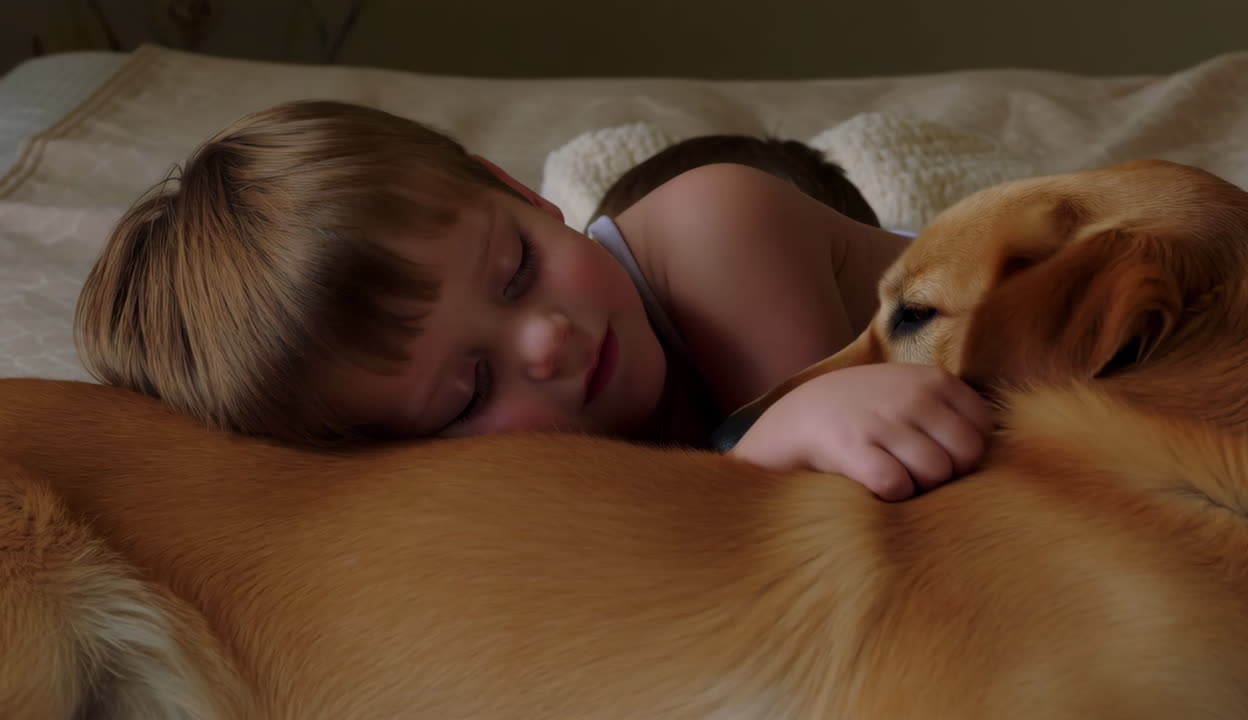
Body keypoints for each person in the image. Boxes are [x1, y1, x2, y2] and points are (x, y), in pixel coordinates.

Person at [75, 100, 991, 501]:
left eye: (515, 269)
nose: (547, 341)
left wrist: (769, 449)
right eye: (469, 390)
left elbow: (821, 520)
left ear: (512, 186)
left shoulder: (716, 231)